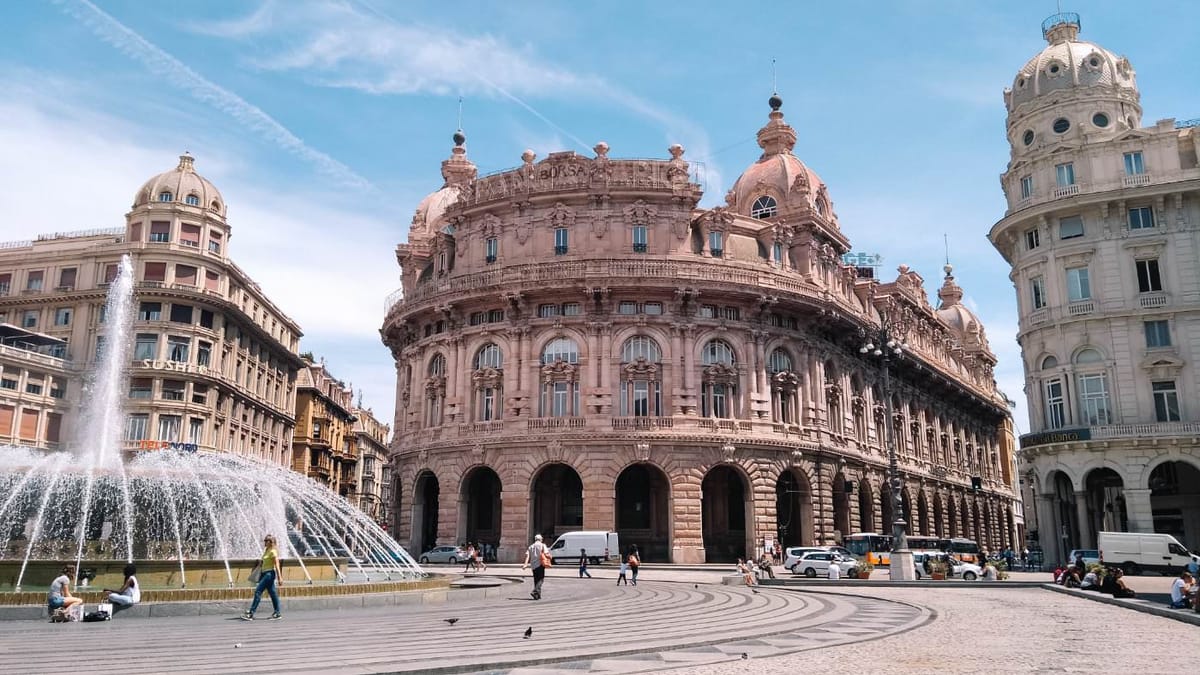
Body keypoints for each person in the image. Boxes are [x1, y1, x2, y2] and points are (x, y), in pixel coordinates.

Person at [242, 534, 283, 620]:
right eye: (264, 540)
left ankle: (251, 613)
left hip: (269, 574)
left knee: (258, 591)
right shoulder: (267, 550)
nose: (264, 542)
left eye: (266, 540)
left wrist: (280, 577)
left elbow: (277, 564)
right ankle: (277, 613)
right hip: (265, 574)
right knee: (273, 594)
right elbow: (264, 562)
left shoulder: (273, 551)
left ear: (270, 542)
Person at [521, 533, 549, 600]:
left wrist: (525, 565)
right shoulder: (543, 545)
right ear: (540, 539)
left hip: (533, 566)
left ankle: (537, 595)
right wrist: (549, 557)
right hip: (540, 565)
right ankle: (535, 591)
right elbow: (546, 554)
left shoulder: (531, 546)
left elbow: (528, 556)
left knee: (536, 580)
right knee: (541, 579)